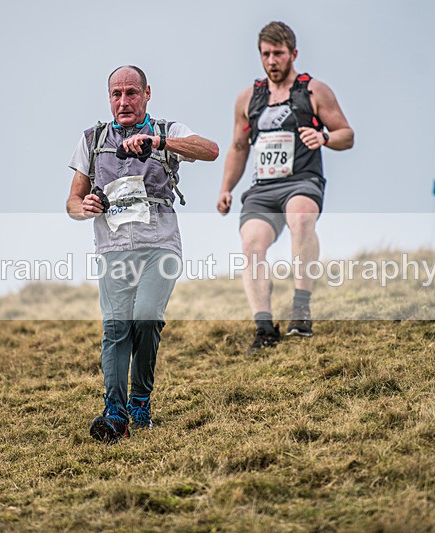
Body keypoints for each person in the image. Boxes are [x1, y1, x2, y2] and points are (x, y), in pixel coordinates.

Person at [66, 65, 218, 443]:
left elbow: (211, 150)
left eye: (131, 93)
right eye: (116, 94)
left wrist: (160, 143)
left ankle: (139, 401)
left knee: (147, 318)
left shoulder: (167, 131)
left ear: (147, 94)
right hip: (113, 250)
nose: (124, 101)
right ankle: (114, 413)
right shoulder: (92, 139)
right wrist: (83, 205)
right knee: (116, 329)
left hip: (159, 246)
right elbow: (71, 200)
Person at [216, 21, 354, 353]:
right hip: (263, 188)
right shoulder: (248, 98)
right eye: (266, 54)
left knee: (302, 218)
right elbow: (238, 147)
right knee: (251, 245)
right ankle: (264, 329)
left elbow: (346, 135)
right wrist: (226, 188)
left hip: (302, 181)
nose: (272, 61)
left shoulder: (314, 91)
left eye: (278, 54)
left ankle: (301, 307)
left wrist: (323, 137)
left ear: (293, 54)